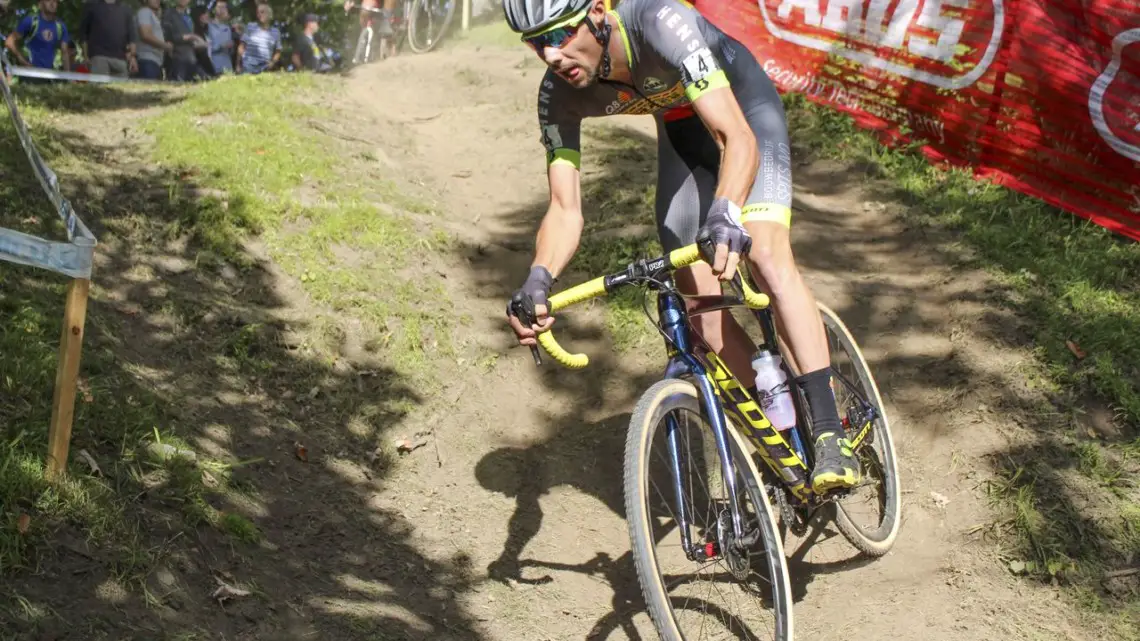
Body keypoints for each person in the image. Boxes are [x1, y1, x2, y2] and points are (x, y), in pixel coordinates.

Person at [501, 0, 860, 493]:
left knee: (764, 254)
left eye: (559, 35)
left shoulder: (658, 22)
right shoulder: (555, 96)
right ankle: (783, 436)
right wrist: (539, 276)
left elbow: (737, 137)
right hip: (682, 132)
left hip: (743, 108)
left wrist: (727, 209)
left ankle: (828, 430)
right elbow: (565, 208)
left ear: (599, 12)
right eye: (535, 44)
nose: (549, 55)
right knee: (699, 306)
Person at [4, 0, 71, 83]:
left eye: (55, 1)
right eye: (48, 0)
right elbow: (9, 42)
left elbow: (64, 53)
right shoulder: (30, 22)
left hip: (48, 76)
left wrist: (69, 77)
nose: (52, 3)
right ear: (40, 5)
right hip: (29, 74)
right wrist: (22, 60)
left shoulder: (61, 26)